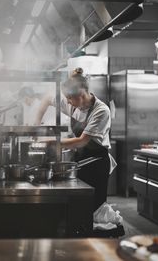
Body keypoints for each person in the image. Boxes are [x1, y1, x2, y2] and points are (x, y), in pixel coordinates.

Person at [35, 68, 111, 211]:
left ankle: (96, 232)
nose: (68, 102)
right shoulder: (74, 105)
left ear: (81, 94)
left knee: (95, 205)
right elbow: (46, 99)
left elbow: (82, 141)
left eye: (70, 98)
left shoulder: (101, 111)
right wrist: (36, 124)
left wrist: (50, 142)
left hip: (97, 162)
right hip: (81, 158)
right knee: (80, 201)